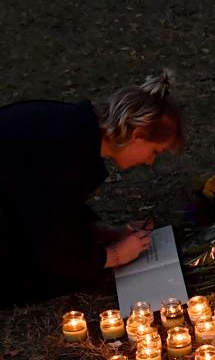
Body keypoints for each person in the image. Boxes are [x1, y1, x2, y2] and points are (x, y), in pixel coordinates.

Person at [0, 70, 183, 305]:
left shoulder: (75, 130)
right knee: (57, 277)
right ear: (137, 135)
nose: (150, 161)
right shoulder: (70, 153)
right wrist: (113, 256)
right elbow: (52, 249)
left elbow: (51, 204)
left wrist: (105, 231)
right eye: (155, 151)